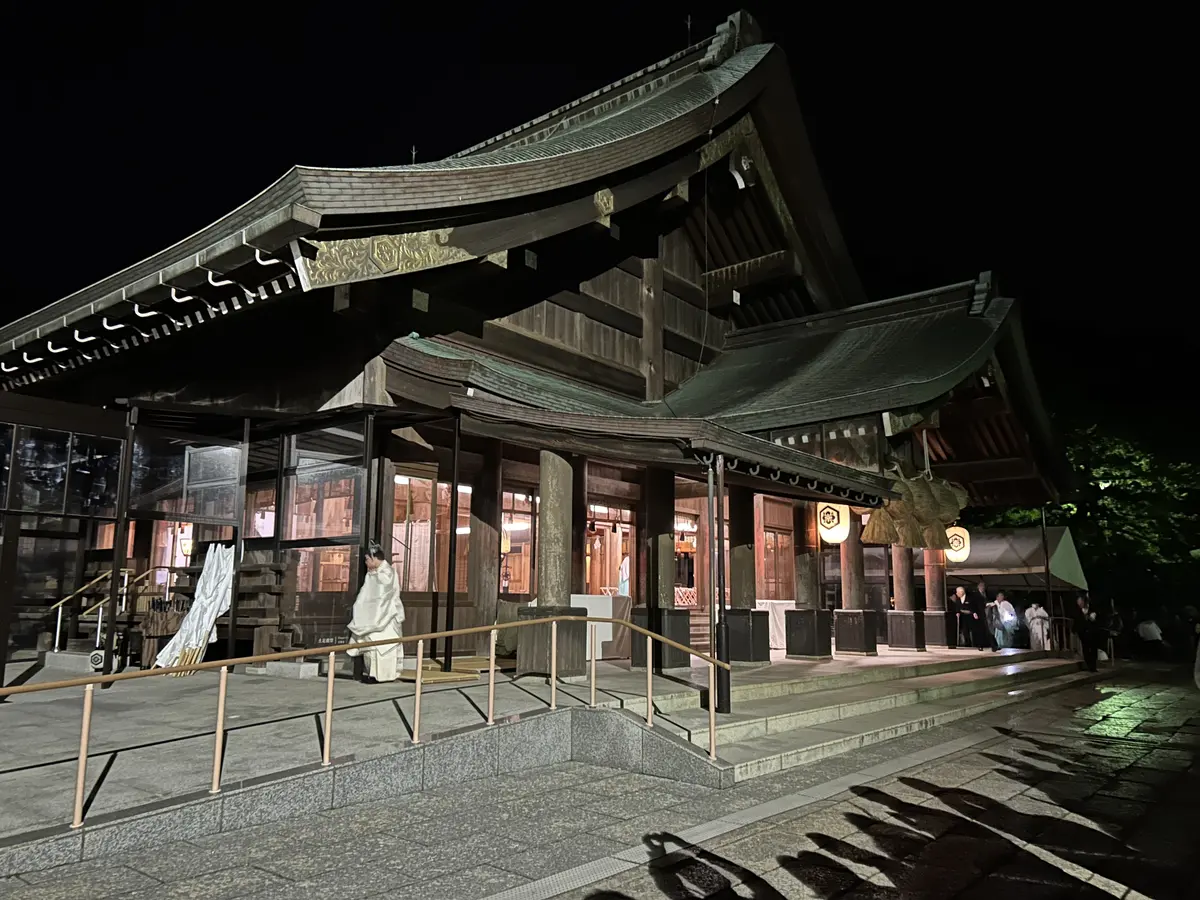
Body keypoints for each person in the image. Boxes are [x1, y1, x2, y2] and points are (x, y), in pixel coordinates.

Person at [346, 541, 406, 683]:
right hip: (373, 616)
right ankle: (371, 674)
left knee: (383, 646)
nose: (366, 563)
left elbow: (381, 596)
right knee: (371, 647)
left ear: (373, 558)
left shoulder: (387, 572)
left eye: (367, 559)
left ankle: (383, 676)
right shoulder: (373, 573)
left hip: (385, 616)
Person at [968, 581, 998, 652]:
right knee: (981, 631)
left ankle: (994, 646)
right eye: (981, 586)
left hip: (987, 615)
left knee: (988, 631)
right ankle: (980, 645)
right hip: (979, 614)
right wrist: (974, 612)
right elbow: (972, 605)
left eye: (983, 586)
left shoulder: (987, 594)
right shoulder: (975, 595)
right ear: (978, 587)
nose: (983, 587)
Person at [1074, 594, 1099, 672]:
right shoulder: (1078, 611)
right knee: (1086, 650)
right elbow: (1076, 622)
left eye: (1080, 601)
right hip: (1083, 634)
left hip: (1092, 633)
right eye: (1078, 602)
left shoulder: (1092, 609)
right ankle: (1089, 666)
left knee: (1093, 649)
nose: (1079, 603)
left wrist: (1093, 618)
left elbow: (1098, 620)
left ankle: (1093, 666)